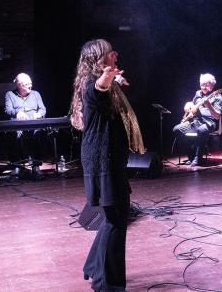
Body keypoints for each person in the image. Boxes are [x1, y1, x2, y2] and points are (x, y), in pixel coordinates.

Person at [70, 39, 145, 292]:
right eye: (110, 52)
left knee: (114, 217)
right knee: (116, 220)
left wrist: (112, 79)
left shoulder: (104, 83)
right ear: (98, 59)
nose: (116, 54)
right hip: (103, 159)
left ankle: (93, 267)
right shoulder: (91, 84)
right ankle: (107, 285)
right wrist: (106, 77)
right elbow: (97, 89)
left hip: (108, 158)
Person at [172, 73, 222, 167]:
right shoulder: (198, 93)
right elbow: (193, 106)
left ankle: (198, 157)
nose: (203, 87)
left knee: (202, 130)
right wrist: (188, 106)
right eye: (202, 84)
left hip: (209, 123)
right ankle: (191, 155)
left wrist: (209, 105)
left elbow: (217, 116)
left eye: (207, 85)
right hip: (195, 121)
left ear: (212, 85)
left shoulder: (217, 97)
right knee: (177, 129)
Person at [5, 72, 47, 161]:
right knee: (15, 134)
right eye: (27, 84)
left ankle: (36, 163)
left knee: (38, 132)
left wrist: (39, 114)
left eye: (31, 83)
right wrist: (17, 113)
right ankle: (16, 164)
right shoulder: (9, 94)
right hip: (17, 124)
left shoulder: (36, 94)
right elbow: (8, 110)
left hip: (34, 123)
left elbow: (43, 109)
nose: (30, 86)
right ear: (19, 85)